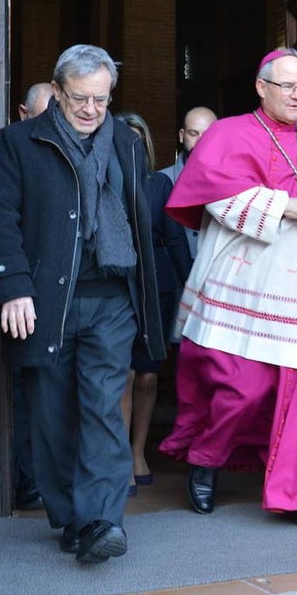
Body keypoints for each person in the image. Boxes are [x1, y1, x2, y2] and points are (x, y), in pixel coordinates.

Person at [158, 47, 297, 536]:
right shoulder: (228, 133)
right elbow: (209, 196)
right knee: (242, 388)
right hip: (244, 286)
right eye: (287, 86)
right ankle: (205, 459)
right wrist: (283, 207)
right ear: (261, 87)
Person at [0, 45, 166, 565]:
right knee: (51, 414)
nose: (90, 109)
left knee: (104, 408)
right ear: (58, 92)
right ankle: (71, 518)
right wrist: (13, 285)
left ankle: (103, 519)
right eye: (80, 98)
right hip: (47, 300)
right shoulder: (19, 142)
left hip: (112, 298)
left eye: (101, 100)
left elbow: (135, 219)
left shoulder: (127, 144)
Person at [113, 112, 192, 497]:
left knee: (147, 376)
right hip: (117, 290)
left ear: (144, 144)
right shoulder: (104, 182)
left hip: (156, 290)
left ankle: (137, 452)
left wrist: (194, 286)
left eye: (136, 139)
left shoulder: (159, 184)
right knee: (124, 375)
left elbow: (176, 240)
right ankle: (120, 462)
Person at [9, 80, 56, 512]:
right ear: (24, 114)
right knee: (24, 390)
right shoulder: (13, 149)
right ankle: (27, 480)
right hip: (22, 293)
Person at [159, 106, 217, 259]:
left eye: (208, 134)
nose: (201, 141)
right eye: (194, 133)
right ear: (181, 135)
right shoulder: (159, 182)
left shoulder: (234, 182)